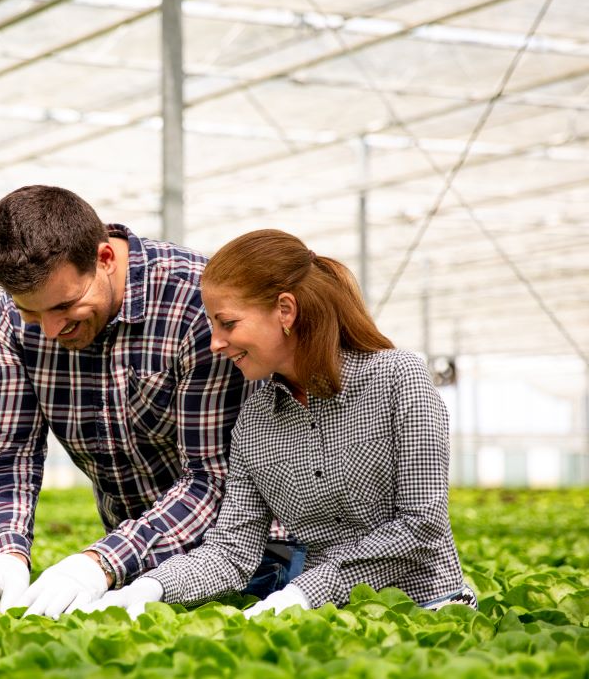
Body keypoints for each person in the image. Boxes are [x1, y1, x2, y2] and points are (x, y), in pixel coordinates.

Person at [0, 186, 300, 618]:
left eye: (66, 306)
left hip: (248, 556)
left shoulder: (196, 304)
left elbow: (210, 480)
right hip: (131, 565)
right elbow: (8, 448)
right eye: (33, 313)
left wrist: (99, 563)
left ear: (105, 259)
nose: (49, 331)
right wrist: (5, 553)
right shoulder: (8, 322)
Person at [83, 229, 477, 618]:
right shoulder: (254, 420)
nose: (215, 342)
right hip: (326, 623)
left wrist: (305, 592)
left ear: (285, 311)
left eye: (228, 323)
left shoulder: (398, 378)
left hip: (430, 610)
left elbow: (421, 525)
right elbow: (230, 552)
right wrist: (153, 586)